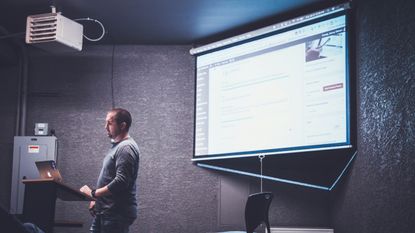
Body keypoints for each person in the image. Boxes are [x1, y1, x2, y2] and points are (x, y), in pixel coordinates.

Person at [80, 108, 140, 233]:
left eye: (109, 123)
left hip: (116, 213)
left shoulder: (126, 148)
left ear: (122, 125)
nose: (105, 126)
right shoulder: (118, 146)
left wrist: (93, 194)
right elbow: (109, 178)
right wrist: (97, 200)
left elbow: (121, 181)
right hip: (105, 211)